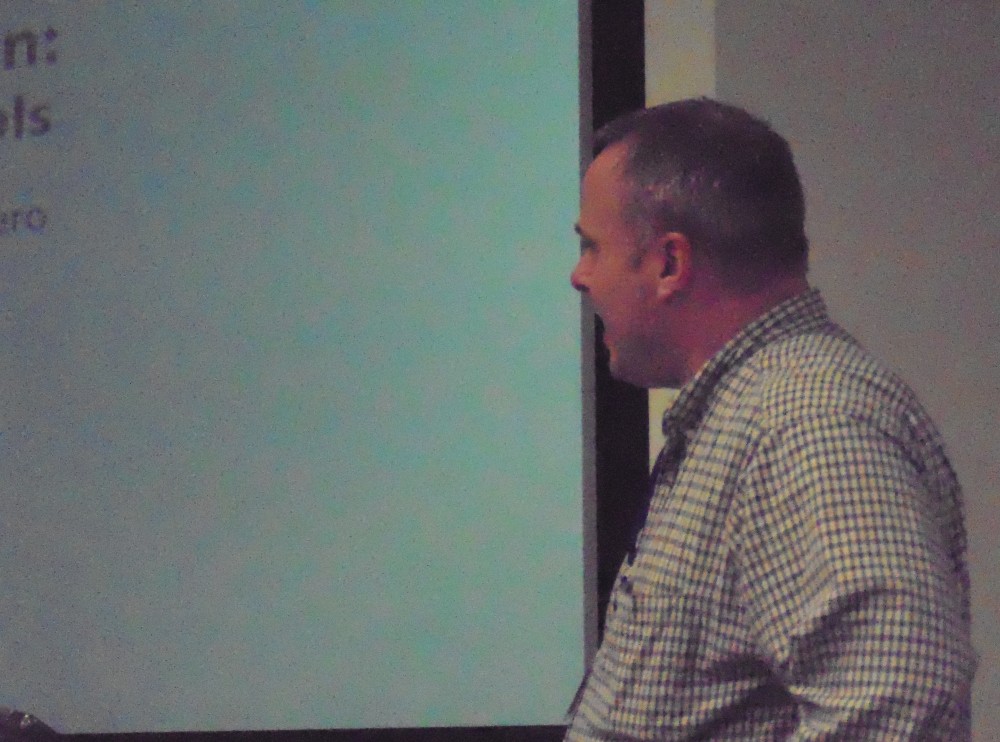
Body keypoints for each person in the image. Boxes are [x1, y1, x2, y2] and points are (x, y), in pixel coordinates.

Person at [565, 98, 975, 740]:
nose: (579, 275)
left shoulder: (807, 421)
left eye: (592, 247)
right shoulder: (755, 414)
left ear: (670, 264)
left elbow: (898, 701)